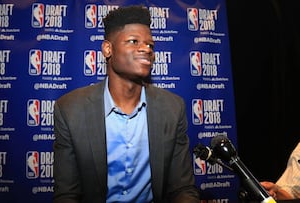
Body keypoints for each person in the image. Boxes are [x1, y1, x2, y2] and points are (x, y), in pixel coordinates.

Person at [52, 5, 200, 203]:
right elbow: (67, 195)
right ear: (108, 49)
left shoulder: (173, 108)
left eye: (150, 45)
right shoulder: (70, 109)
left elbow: (182, 188)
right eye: (133, 41)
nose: (145, 49)